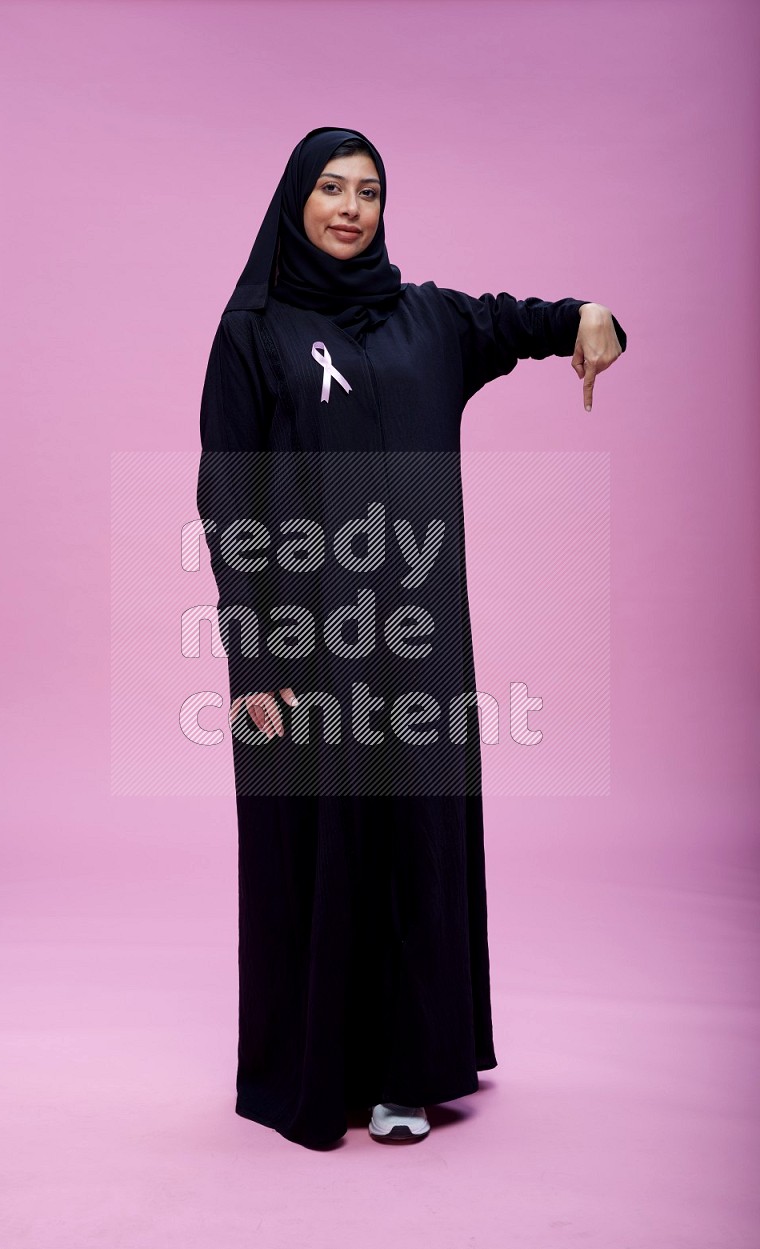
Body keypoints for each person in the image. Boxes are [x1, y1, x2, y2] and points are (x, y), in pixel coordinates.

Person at [196, 126, 626, 1150]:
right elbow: (227, 501)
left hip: (419, 647)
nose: (349, 207)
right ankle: (318, 1070)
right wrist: (254, 663)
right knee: (321, 849)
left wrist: (591, 317)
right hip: (305, 649)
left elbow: (518, 322)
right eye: (330, 188)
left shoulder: (425, 321)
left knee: (412, 850)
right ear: (295, 199)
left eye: (369, 191)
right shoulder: (253, 330)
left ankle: (405, 1074)